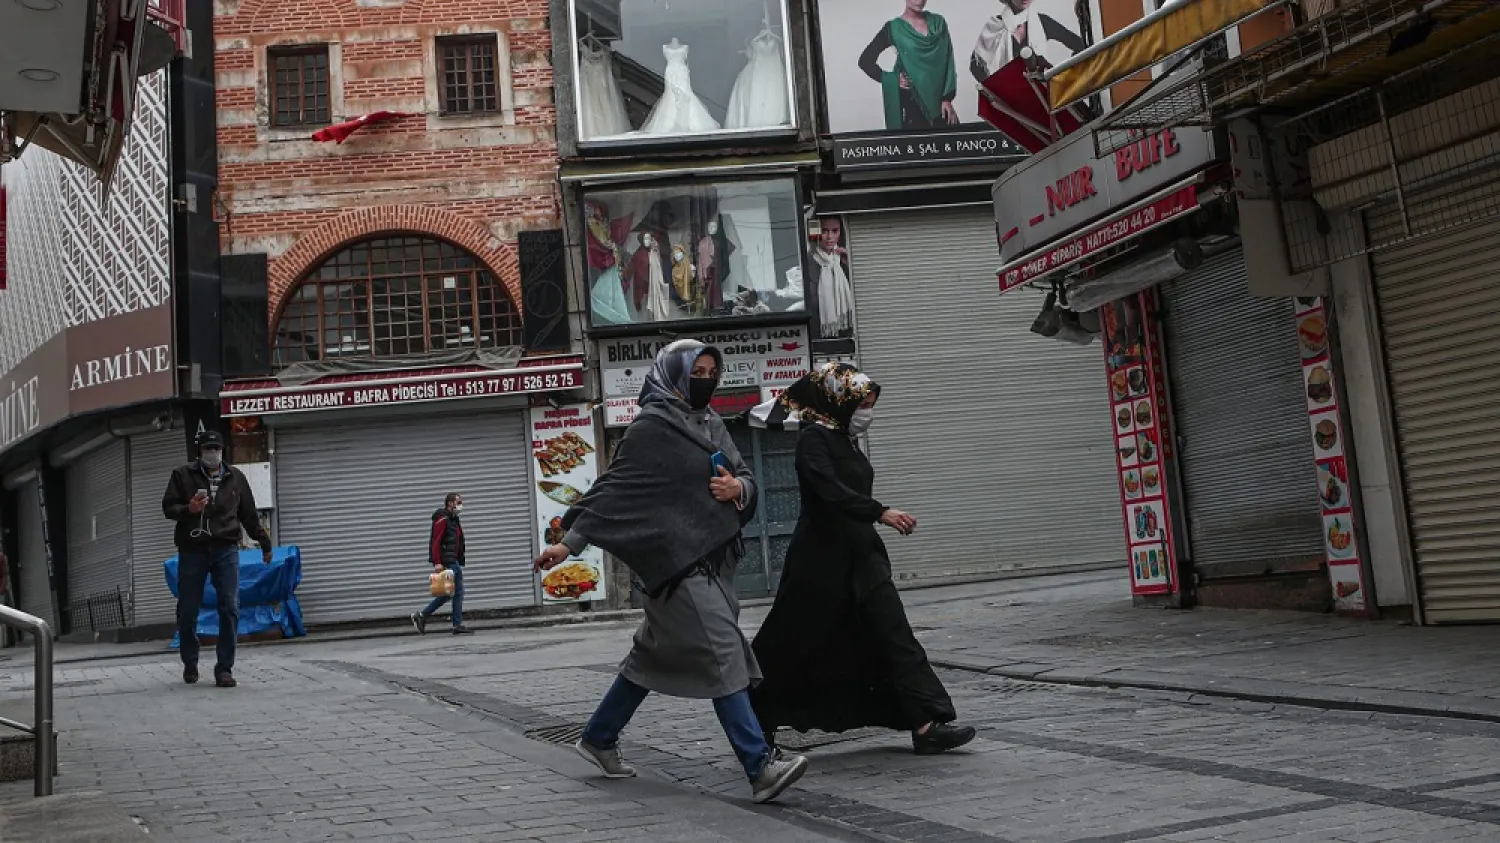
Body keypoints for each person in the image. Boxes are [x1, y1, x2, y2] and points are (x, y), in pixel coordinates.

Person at [534, 339, 810, 805]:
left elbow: (745, 476)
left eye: (711, 372)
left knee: (650, 658)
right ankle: (759, 765)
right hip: (675, 566)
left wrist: (736, 489)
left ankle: (599, 737)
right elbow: (614, 490)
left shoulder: (711, 422)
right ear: (674, 373)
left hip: (715, 559)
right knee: (724, 652)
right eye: (697, 371)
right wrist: (568, 544)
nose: (706, 380)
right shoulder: (650, 428)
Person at [746, 362, 976, 755]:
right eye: (861, 405)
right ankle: (754, 719)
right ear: (836, 402)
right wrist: (879, 511)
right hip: (820, 562)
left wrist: (874, 516)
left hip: (862, 557)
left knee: (895, 635)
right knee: (794, 641)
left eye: (869, 405)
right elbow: (829, 491)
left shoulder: (845, 440)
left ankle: (926, 724)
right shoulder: (813, 440)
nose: (866, 414)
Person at [162, 429, 272, 688]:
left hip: (225, 547)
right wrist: (188, 509)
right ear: (199, 452)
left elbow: (249, 515)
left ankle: (224, 668)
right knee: (188, 609)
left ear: (223, 451)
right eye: (208, 449)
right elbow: (168, 508)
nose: (213, 454)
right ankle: (190, 660)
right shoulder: (182, 475)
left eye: (217, 449)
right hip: (193, 548)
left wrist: (264, 542)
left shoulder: (235, 478)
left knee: (230, 606)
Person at [858, 0, 960, 130]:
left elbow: (948, 59)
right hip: (912, 99)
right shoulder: (894, 28)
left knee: (951, 144)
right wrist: (894, 79)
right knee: (914, 146)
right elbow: (865, 61)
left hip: (940, 101)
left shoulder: (938, 23)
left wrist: (947, 98)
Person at [412, 493, 473, 635]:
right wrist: (437, 562)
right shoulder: (442, 519)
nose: (461, 505)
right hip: (447, 561)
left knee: (455, 592)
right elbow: (436, 541)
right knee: (450, 592)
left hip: (454, 560)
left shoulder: (453, 519)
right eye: (459, 502)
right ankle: (423, 615)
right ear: (450, 503)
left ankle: (453, 624)